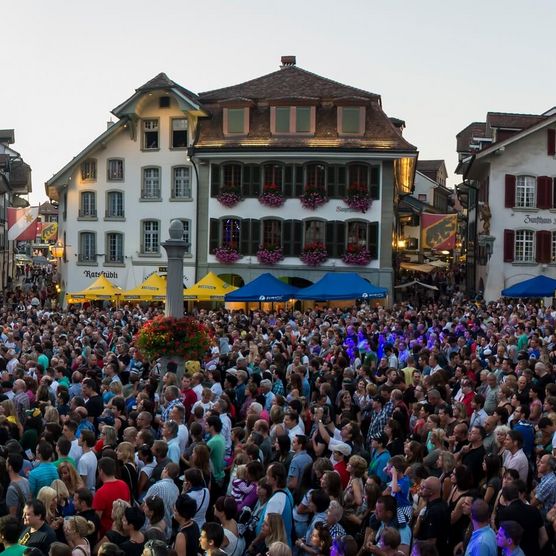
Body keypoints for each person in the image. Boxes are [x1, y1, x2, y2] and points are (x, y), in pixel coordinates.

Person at [496, 483, 547, 556]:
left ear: (504, 498)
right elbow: (544, 537)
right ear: (518, 494)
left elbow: (501, 538)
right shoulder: (534, 510)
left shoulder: (504, 513)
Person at [93, 457, 131, 537]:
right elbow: (128, 506)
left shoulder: (100, 492)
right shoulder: (124, 484)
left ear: (101, 471)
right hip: (123, 530)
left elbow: (97, 519)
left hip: (108, 533)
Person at [414, 477, 450, 556]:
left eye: (423, 488)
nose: (420, 489)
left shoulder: (434, 511)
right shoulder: (443, 504)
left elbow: (431, 541)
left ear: (431, 492)